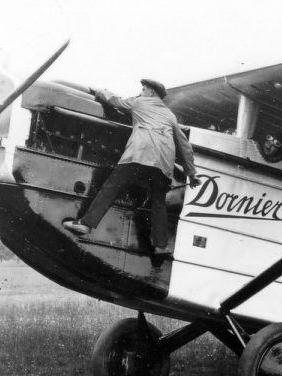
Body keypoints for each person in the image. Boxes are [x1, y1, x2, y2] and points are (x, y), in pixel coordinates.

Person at [63, 79, 199, 255]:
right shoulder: (170, 116)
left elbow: (115, 100)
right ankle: (160, 246)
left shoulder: (140, 102)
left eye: (143, 89)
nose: (141, 92)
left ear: (151, 92)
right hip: (164, 164)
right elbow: (185, 146)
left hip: (140, 154)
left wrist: (98, 90)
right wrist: (192, 173)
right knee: (159, 202)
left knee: (111, 186)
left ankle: (86, 225)